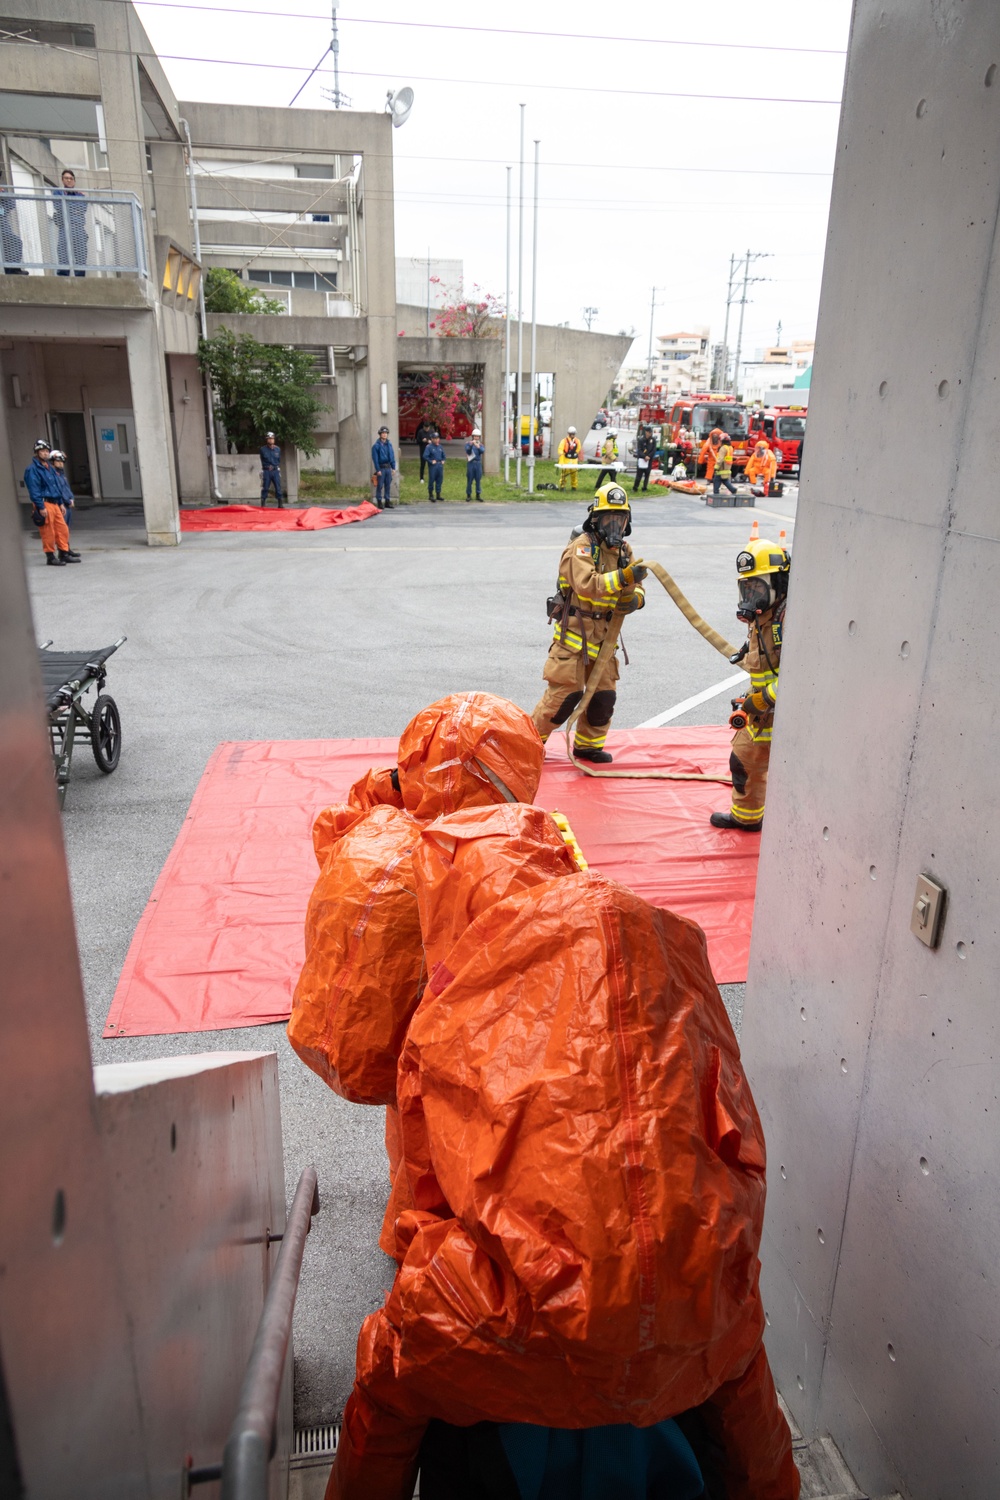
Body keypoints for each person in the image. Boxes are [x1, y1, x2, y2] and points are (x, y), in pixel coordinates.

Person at [320, 795, 799, 1500]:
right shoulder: (660, 945)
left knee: (391, 1377)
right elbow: (732, 1134)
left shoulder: (450, 1005)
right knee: (732, 1375)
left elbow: (423, 1203)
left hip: (512, 1332)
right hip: (691, 1311)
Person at [531, 482, 645, 764]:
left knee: (603, 699)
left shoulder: (624, 551)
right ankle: (529, 743)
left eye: (620, 519)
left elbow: (637, 585)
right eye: (609, 519)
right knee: (563, 699)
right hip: (574, 637)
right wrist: (625, 578)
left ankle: (588, 746)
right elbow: (587, 585)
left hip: (605, 639)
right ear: (595, 519)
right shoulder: (580, 548)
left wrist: (637, 599)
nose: (615, 525)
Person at [711, 537, 790, 832]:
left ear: (777, 584)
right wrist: (750, 697)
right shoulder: (764, 618)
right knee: (742, 760)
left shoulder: (790, 619)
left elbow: (803, 677)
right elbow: (765, 671)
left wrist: (764, 698)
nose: (751, 594)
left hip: (790, 719)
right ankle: (747, 818)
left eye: (757, 586)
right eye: (747, 587)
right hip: (764, 714)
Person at [24, 439, 79, 564]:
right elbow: (34, 489)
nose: (45, 453)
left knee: (62, 529)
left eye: (46, 451)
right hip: (44, 503)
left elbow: (56, 486)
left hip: (55, 502)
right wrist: (40, 506)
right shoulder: (33, 469)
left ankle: (64, 553)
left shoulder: (49, 467)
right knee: (48, 531)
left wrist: (60, 502)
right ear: (37, 452)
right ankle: (50, 557)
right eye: (42, 451)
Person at [53, 169, 87, 278]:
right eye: (66, 178)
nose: (69, 180)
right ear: (62, 180)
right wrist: (73, 207)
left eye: (71, 178)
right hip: (65, 228)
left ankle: (80, 279)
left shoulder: (80, 195)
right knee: (63, 254)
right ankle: (63, 278)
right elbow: (58, 206)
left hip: (78, 228)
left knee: (81, 255)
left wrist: (67, 205)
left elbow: (82, 208)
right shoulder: (58, 192)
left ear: (74, 181)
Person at [371, 425, 396, 510]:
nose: (384, 435)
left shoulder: (389, 444)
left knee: (388, 485)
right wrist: (378, 470)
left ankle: (387, 501)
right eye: (383, 433)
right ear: (380, 434)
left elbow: (392, 456)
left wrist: (393, 468)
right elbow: (375, 459)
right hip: (381, 468)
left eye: (386, 433)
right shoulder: (376, 446)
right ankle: (379, 501)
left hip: (388, 467)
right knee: (380, 485)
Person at [49, 449, 75, 527]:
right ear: (52, 461)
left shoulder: (61, 474)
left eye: (62, 461)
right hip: (60, 504)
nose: (61, 463)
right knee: (61, 527)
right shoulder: (52, 475)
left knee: (66, 527)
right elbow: (60, 490)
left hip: (67, 504)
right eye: (59, 461)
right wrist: (68, 501)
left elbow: (67, 488)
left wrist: (71, 498)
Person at [259, 432, 283, 506]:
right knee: (265, 487)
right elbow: (261, 459)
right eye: (269, 439)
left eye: (272, 438)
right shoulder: (263, 449)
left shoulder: (277, 449)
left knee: (278, 487)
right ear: (267, 440)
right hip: (267, 471)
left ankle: (280, 504)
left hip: (275, 471)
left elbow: (279, 460)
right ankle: (263, 503)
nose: (271, 440)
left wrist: (276, 467)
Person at [712, 434, 738, 499]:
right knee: (724, 480)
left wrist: (716, 467)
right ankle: (733, 489)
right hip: (727, 468)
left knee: (716, 480)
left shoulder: (723, 448)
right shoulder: (730, 448)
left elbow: (720, 459)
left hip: (721, 468)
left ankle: (716, 493)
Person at [633, 423, 657, 493]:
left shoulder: (653, 440)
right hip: (641, 459)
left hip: (649, 459)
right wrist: (644, 456)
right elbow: (639, 450)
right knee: (639, 475)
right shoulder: (641, 439)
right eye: (649, 432)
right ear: (646, 432)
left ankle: (644, 488)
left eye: (650, 432)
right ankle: (635, 487)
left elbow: (654, 450)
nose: (650, 434)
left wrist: (649, 456)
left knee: (647, 475)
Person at [557, 425, 582, 490]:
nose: (573, 435)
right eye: (572, 434)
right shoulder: (564, 441)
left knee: (574, 474)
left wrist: (575, 453)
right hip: (566, 459)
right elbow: (560, 449)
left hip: (574, 460)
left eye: (574, 434)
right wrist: (562, 456)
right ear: (569, 434)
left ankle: (574, 486)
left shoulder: (577, 441)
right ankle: (562, 486)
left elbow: (578, 448)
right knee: (564, 474)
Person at [464, 428, 485, 502]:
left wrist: (477, 446)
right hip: (471, 463)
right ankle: (468, 495)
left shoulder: (480, 444)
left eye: (477, 436)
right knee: (469, 479)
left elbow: (482, 451)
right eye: (475, 436)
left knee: (478, 480)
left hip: (478, 463)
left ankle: (478, 494)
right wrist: (471, 445)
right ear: (472, 436)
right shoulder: (468, 443)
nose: (476, 438)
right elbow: (467, 451)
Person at [424, 431, 445, 502]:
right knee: (432, 480)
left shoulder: (440, 447)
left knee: (439, 480)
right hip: (433, 466)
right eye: (435, 438)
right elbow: (425, 456)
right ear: (432, 439)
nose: (436, 440)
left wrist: (443, 460)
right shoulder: (429, 447)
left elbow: (443, 455)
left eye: (437, 438)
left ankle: (438, 494)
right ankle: (431, 494)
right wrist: (431, 461)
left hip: (439, 465)